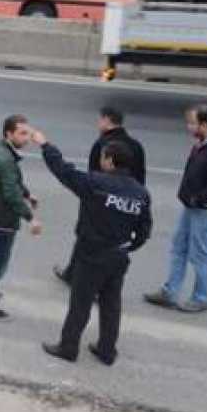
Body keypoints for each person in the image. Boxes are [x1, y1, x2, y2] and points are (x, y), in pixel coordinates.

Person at [32, 132, 152, 365]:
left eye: (104, 157)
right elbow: (144, 230)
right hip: (118, 256)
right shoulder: (140, 193)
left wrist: (46, 145)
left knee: (81, 303)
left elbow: (64, 171)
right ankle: (107, 351)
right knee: (111, 304)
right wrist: (126, 247)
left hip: (92, 254)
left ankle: (68, 347)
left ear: (110, 161)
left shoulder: (96, 183)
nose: (101, 160)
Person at [145, 104, 207, 314]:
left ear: (204, 124)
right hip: (193, 207)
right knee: (179, 247)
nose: (189, 127)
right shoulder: (206, 142)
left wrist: (196, 200)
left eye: (192, 123)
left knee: (201, 254)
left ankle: (201, 298)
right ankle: (170, 292)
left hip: (205, 210)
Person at [54, 106, 146, 285]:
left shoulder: (103, 145)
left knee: (86, 237)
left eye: (100, 120)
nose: (98, 124)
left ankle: (79, 277)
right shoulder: (136, 145)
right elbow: (141, 177)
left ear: (107, 120)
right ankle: (75, 272)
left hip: (99, 198)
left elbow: (92, 176)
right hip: (127, 200)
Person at [0, 114, 42, 321]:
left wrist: (27, 194)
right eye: (22, 133)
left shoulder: (1, 151)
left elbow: (13, 182)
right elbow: (11, 192)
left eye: (28, 133)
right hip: (2, 221)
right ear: (8, 134)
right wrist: (31, 218)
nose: (27, 138)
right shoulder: (5, 159)